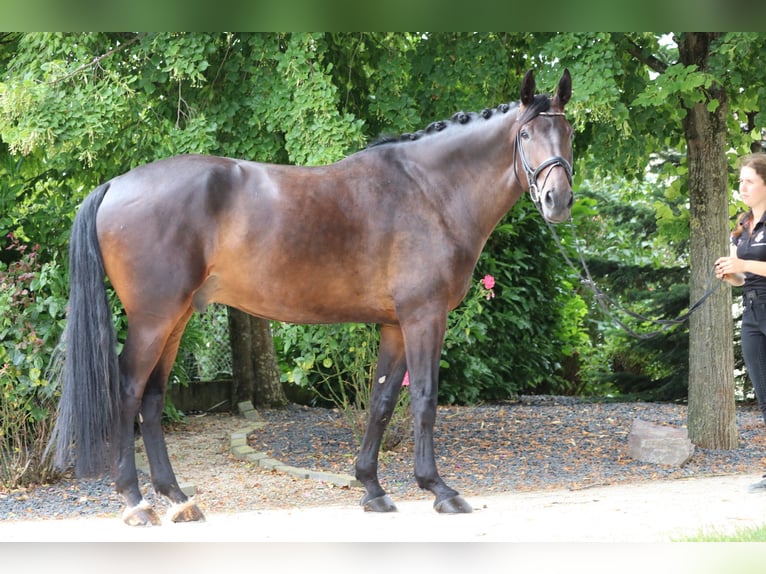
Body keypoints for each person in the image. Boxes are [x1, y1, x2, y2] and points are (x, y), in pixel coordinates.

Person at [715, 152, 766, 491]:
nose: (742, 187)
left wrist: (743, 266)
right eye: (740, 181)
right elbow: (739, 276)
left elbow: (749, 267)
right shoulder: (742, 224)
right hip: (751, 314)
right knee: (764, 395)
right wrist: (728, 273)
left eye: (749, 181)